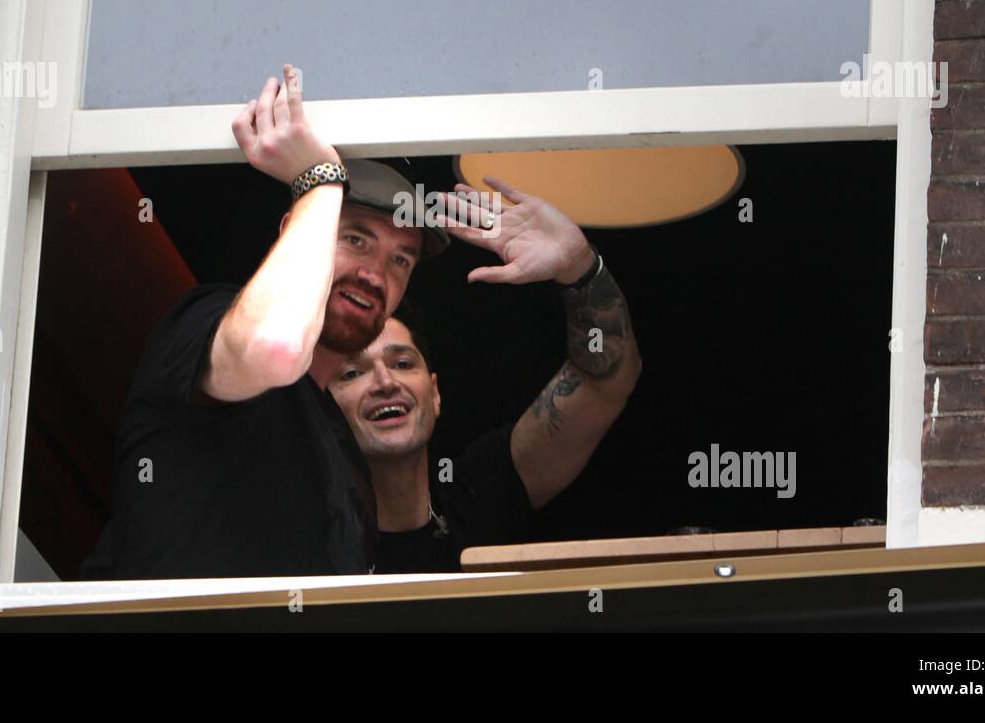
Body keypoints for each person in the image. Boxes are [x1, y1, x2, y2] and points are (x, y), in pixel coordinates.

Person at [80, 65, 449, 579]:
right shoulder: (205, 318)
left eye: (401, 260)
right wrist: (319, 183)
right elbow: (273, 345)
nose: (374, 274)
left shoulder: (343, 451)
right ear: (296, 231)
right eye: (356, 238)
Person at [327, 177, 641, 573]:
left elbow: (606, 379)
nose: (385, 382)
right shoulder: (302, 529)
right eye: (353, 373)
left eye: (403, 363)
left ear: (434, 392)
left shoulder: (479, 492)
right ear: (324, 408)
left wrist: (579, 268)